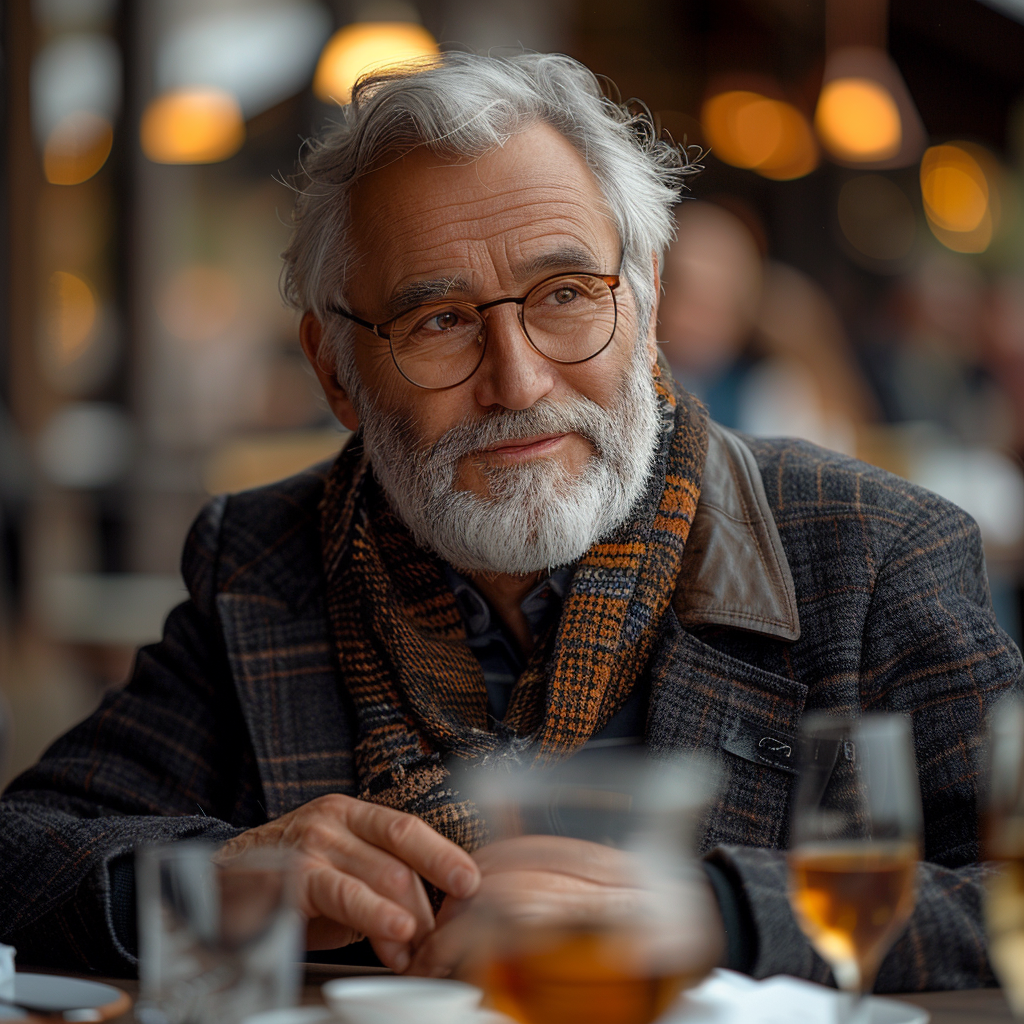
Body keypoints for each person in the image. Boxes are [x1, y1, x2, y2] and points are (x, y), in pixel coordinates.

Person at [1, 52, 1021, 990]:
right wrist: (214, 882)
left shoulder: (867, 549)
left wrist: (727, 917)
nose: (519, 380)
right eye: (438, 320)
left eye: (567, 293)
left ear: (649, 297)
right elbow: (23, 850)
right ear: (334, 369)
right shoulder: (266, 561)